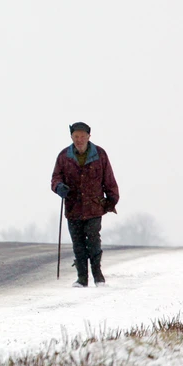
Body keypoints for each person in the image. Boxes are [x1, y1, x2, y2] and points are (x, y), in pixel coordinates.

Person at [50, 122, 119, 288]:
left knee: (93, 240)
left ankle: (98, 276)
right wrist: (59, 187)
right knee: (78, 243)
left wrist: (112, 198)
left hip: (94, 207)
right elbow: (55, 178)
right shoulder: (63, 156)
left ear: (89, 136)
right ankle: (82, 278)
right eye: (76, 136)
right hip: (73, 208)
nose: (79, 139)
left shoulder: (100, 154)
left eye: (82, 136)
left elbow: (108, 178)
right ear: (71, 137)